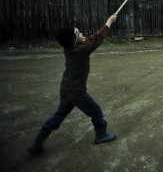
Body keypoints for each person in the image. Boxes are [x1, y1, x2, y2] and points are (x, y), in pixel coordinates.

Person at [26, 14, 118, 154]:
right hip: (77, 92)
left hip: (66, 90)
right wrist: (109, 22)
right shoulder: (81, 51)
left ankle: (36, 145)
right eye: (78, 34)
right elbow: (97, 39)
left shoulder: (70, 49)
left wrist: (107, 23)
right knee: (96, 112)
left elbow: (91, 39)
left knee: (58, 116)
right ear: (75, 40)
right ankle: (101, 135)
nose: (82, 34)